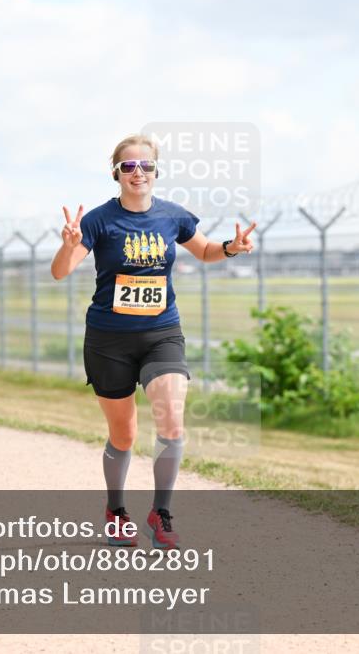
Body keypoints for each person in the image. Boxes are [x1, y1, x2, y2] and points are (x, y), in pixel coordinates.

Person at [50, 134, 256, 550]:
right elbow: (60, 272)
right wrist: (68, 246)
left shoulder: (172, 216)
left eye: (145, 165)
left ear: (156, 171)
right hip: (108, 340)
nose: (138, 173)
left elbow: (205, 251)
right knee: (124, 434)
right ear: (116, 174)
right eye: (128, 166)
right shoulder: (98, 221)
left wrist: (231, 248)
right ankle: (116, 510)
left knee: (172, 421)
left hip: (161, 333)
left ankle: (160, 513)